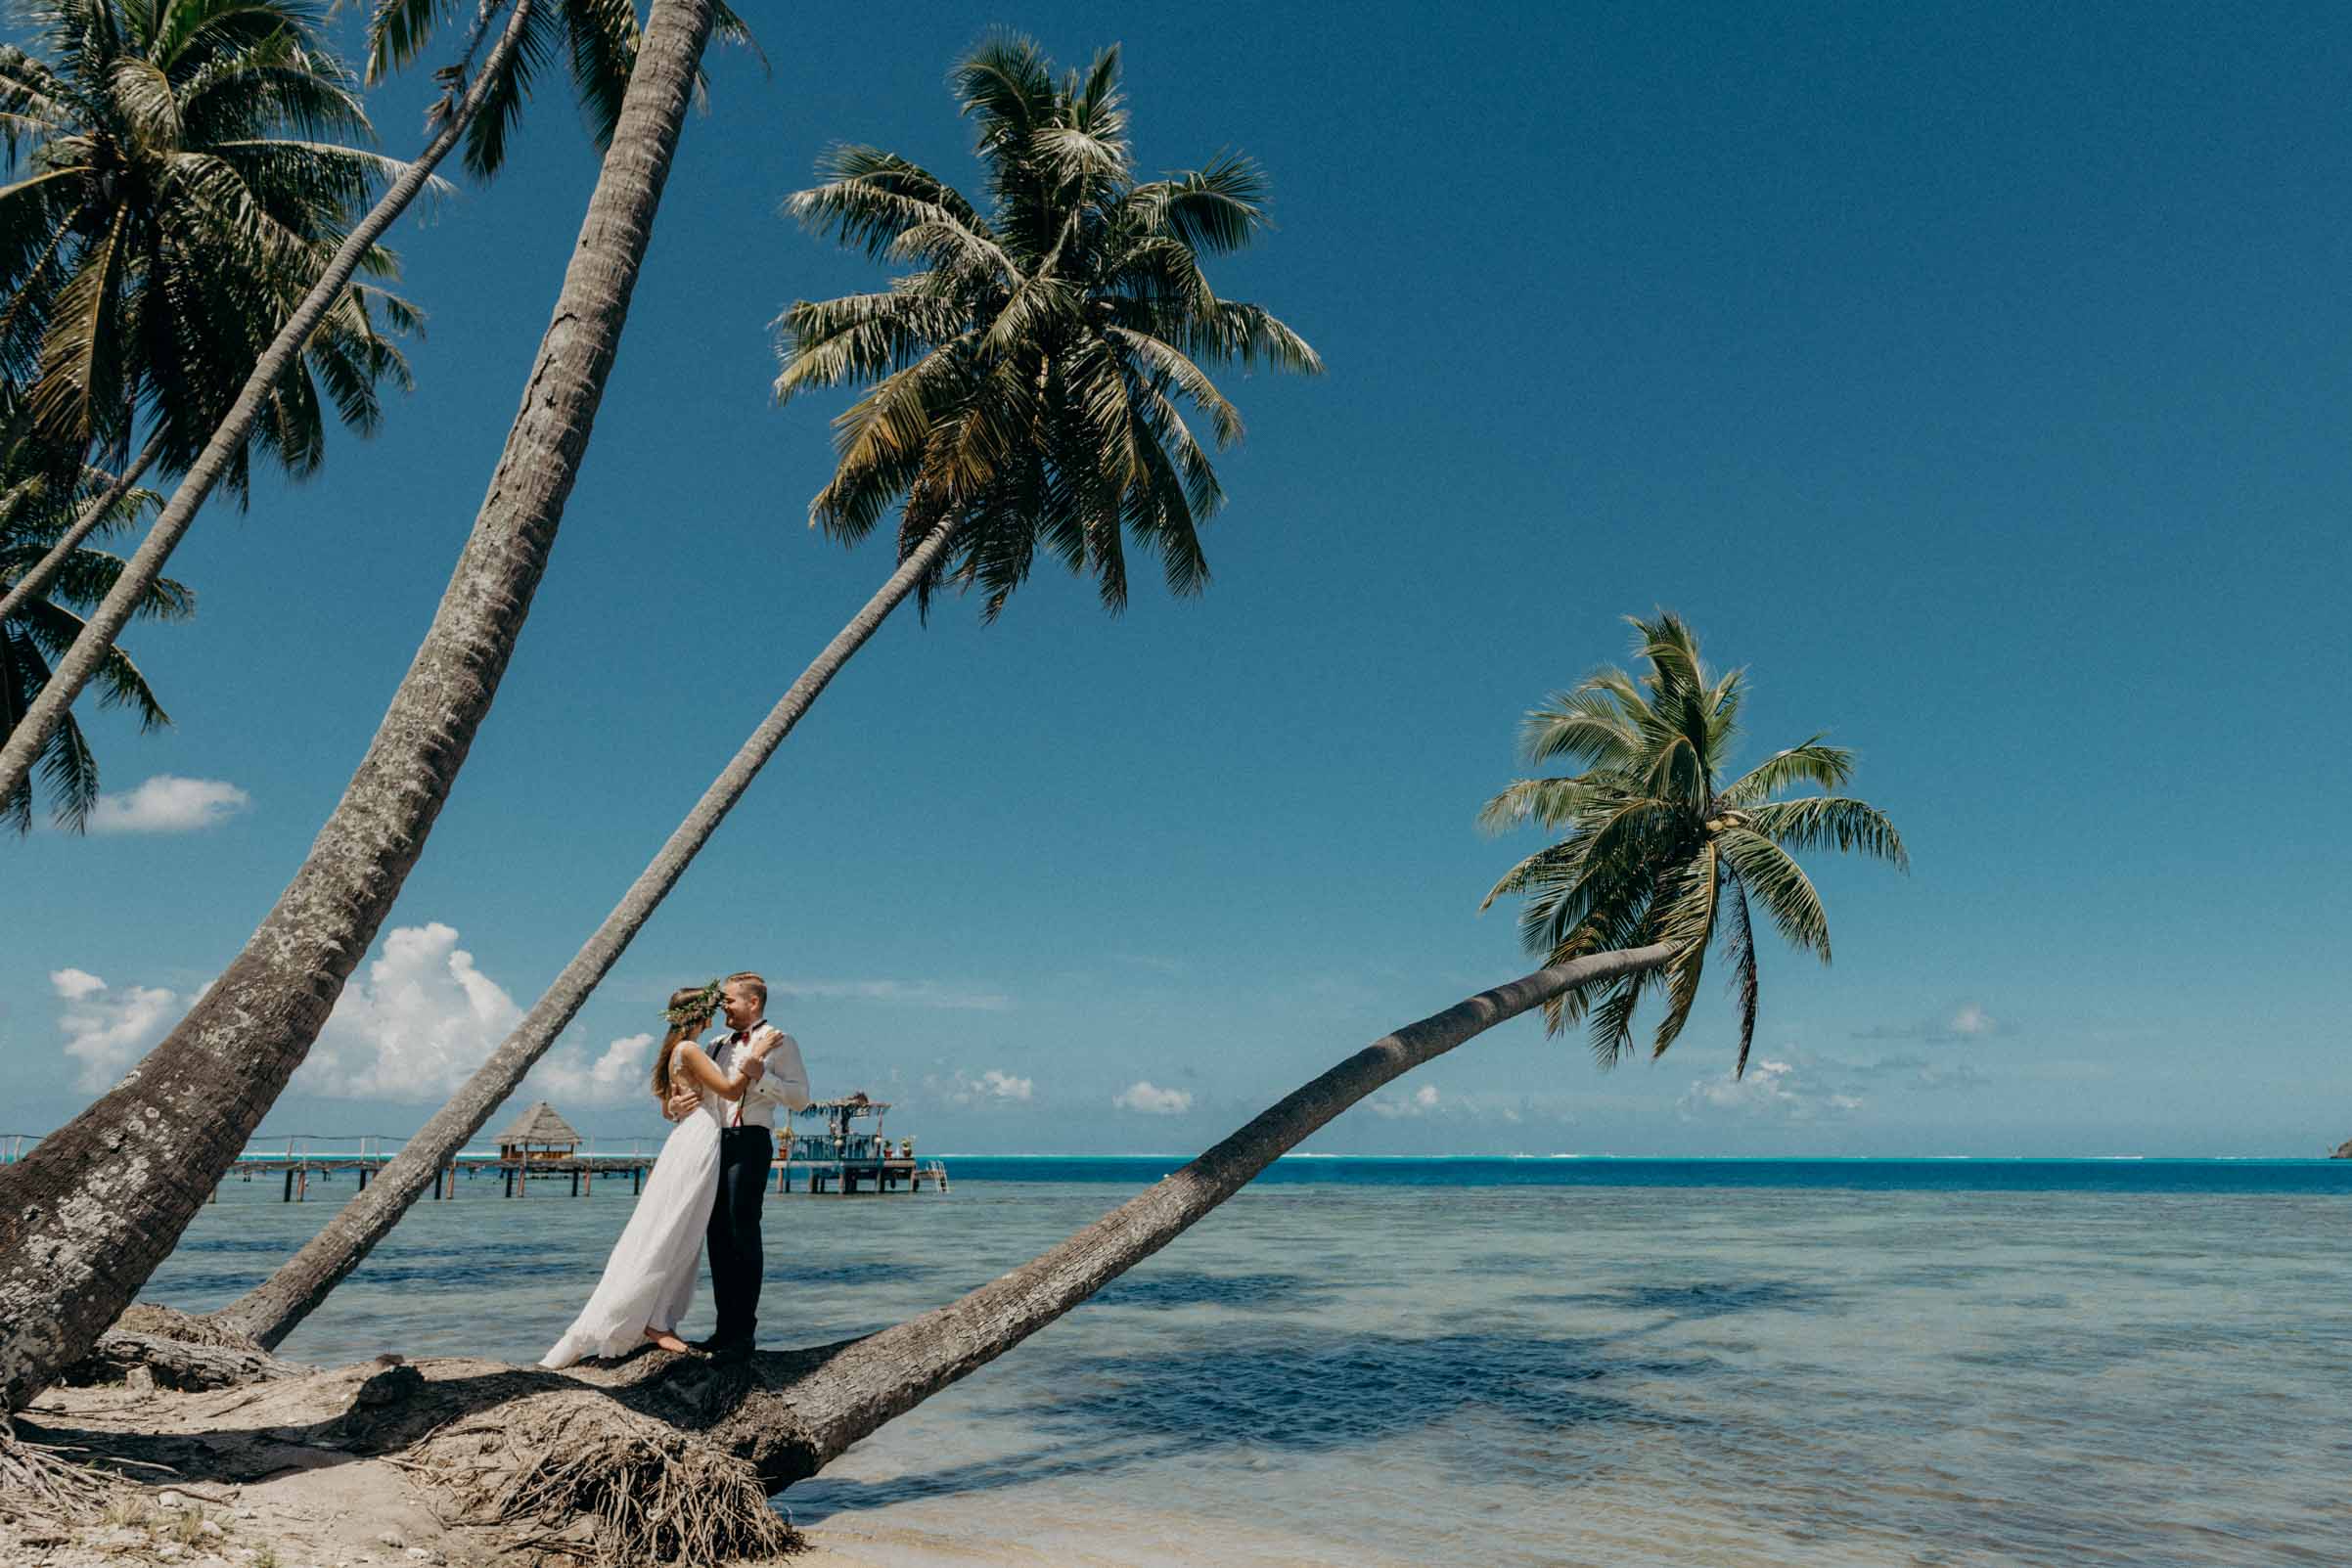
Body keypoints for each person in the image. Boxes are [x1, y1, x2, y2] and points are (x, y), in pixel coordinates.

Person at [539, 981, 763, 1367]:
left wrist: (676, 1105)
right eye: (713, 1006)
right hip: (700, 1140)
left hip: (689, 1138)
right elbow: (728, 1090)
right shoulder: (690, 1049)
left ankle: (657, 1317)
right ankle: (656, 1321)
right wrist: (754, 1061)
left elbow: (667, 1109)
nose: (717, 1012)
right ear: (700, 1014)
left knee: (674, 1229)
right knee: (676, 1231)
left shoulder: (676, 1051)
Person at [661, 970, 811, 1360]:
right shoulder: (712, 1044)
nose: (721, 1005)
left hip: (749, 1142)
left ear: (753, 1002)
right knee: (716, 1235)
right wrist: (676, 1107)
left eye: (728, 999)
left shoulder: (780, 1041)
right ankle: (723, 1329)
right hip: (710, 1143)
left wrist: (763, 1079)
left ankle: (743, 1332)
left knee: (741, 1231)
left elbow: (800, 1099)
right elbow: (691, 1093)